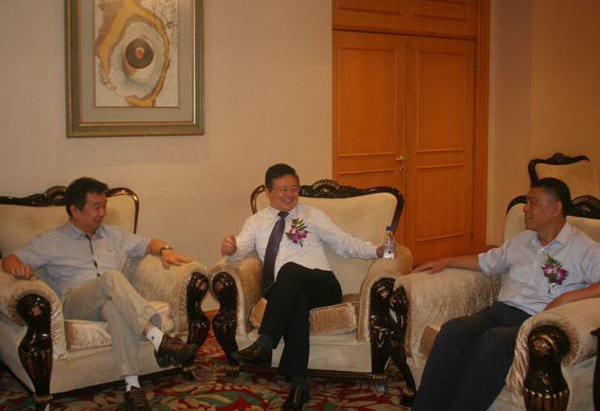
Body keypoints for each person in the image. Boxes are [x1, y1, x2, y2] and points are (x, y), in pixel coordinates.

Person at [1, 177, 200, 411]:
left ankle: (132, 387)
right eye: (96, 207)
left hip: (109, 300)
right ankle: (158, 337)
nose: (102, 212)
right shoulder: (52, 240)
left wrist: (165, 250)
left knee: (114, 308)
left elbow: (150, 244)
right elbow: (10, 259)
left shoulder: (113, 235)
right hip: (75, 303)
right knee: (111, 277)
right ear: (75, 210)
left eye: (104, 205)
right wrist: (18, 268)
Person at [410, 177, 600, 411]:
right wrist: (446, 261)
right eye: (526, 202)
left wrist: (566, 298)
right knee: (454, 330)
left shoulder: (582, 248)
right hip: (500, 312)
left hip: (536, 321)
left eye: (533, 202)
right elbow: (485, 262)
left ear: (556, 208)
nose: (525, 208)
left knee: (494, 341)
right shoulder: (521, 240)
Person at [221, 163, 385, 410]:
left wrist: (376, 250)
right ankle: (299, 386)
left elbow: (343, 242)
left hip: (322, 286)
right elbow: (241, 247)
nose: (290, 194)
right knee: (297, 303)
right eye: (283, 189)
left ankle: (264, 343)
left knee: (290, 269)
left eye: (294, 188)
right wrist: (231, 249)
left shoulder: (312, 214)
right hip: (285, 294)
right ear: (268, 191)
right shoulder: (256, 222)